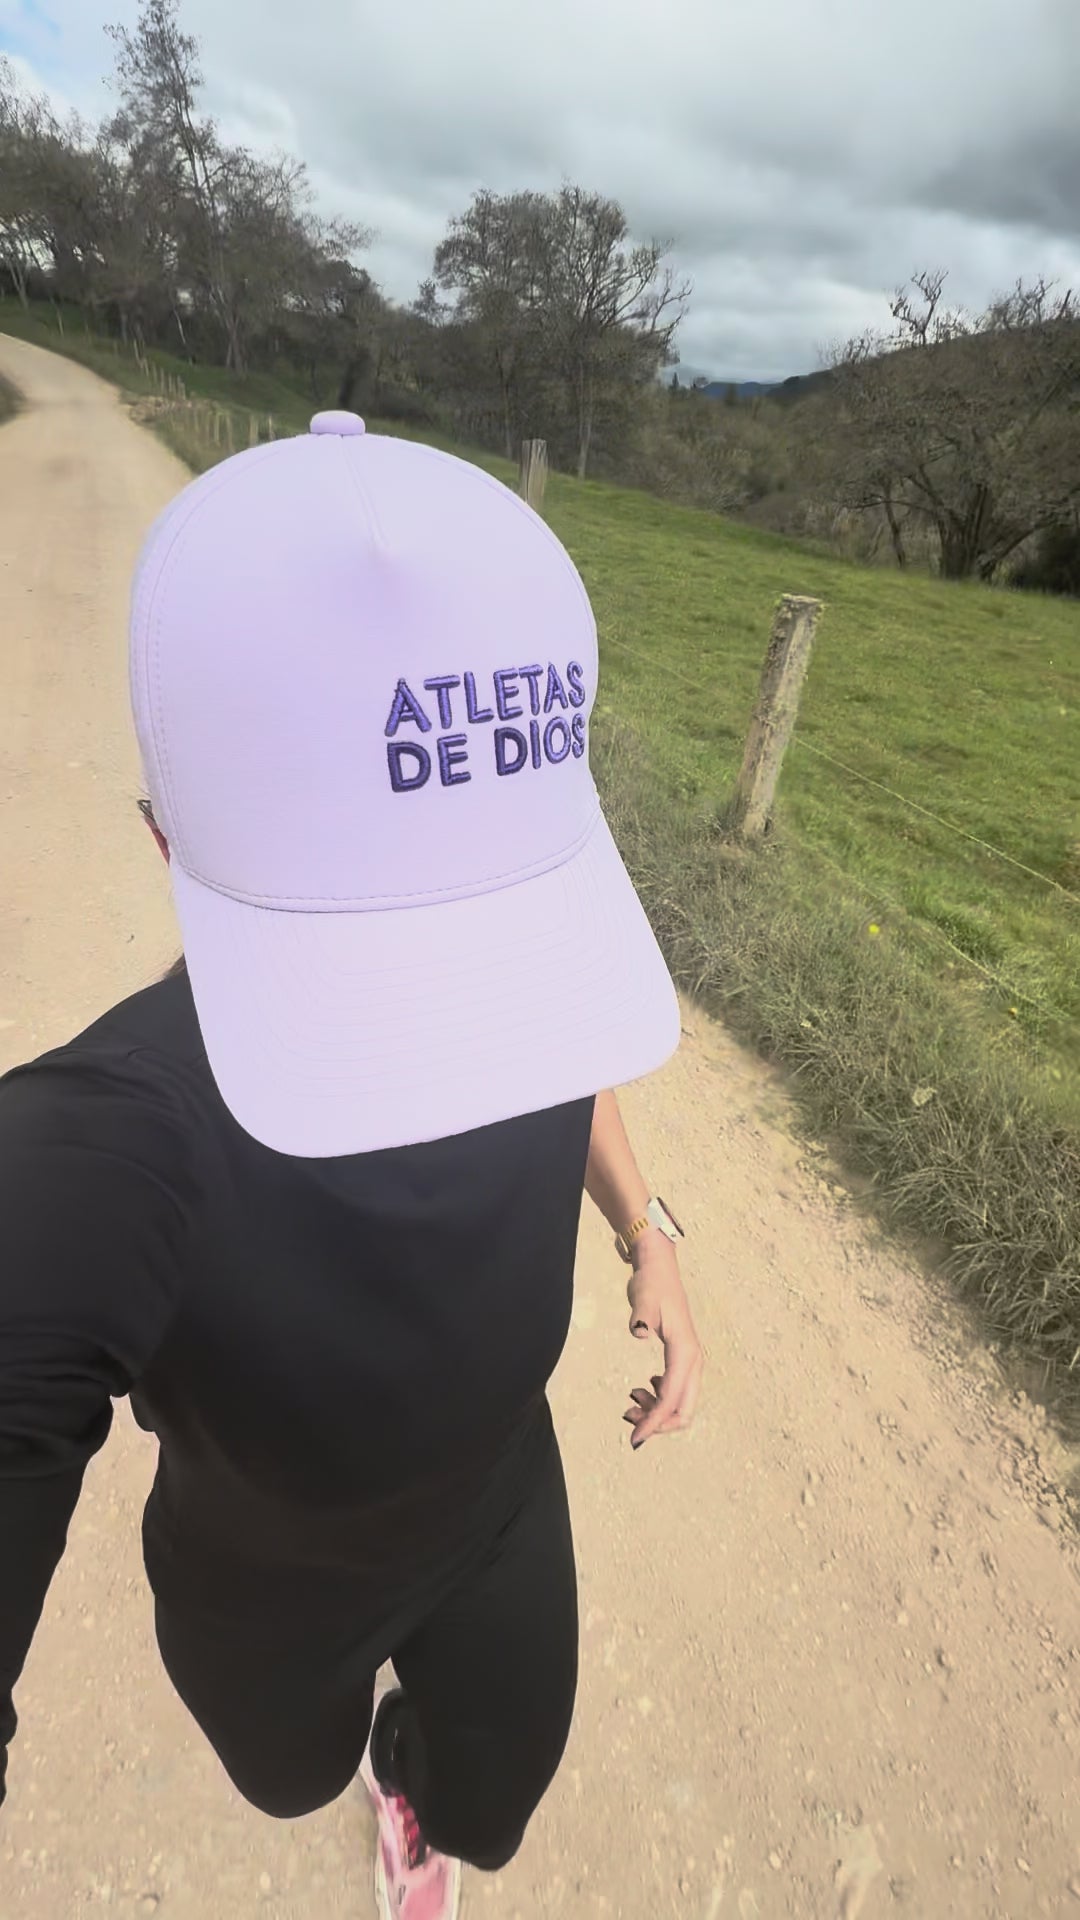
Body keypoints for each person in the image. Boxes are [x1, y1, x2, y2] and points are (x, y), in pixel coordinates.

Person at [0, 411, 704, 1919]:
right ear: (163, 843)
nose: (459, 987)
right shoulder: (102, 1144)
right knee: (286, 1777)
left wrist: (650, 1226)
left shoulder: (525, 968)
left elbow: (554, 1025)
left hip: (500, 1497)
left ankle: (410, 1772)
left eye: (483, 916)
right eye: (387, 933)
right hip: (266, 1582)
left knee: (487, 1808)